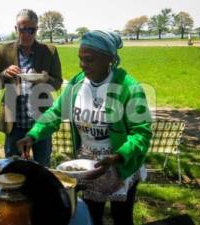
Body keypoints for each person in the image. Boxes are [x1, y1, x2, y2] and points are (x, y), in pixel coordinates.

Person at [17, 30, 152, 225]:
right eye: (80, 59)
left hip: (119, 163)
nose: (83, 65)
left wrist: (117, 157)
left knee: (122, 218)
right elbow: (55, 112)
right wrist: (33, 135)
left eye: (89, 60)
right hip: (88, 165)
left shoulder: (128, 87)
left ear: (110, 59)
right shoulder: (78, 83)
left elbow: (142, 132)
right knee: (90, 216)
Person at [0, 9, 63, 167]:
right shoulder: (4, 51)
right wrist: (4, 74)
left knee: (42, 167)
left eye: (31, 29)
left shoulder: (49, 51)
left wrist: (46, 79)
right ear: (16, 29)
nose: (27, 34)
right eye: (23, 29)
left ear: (37, 29)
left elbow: (57, 82)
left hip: (41, 121)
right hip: (15, 122)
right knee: (13, 168)